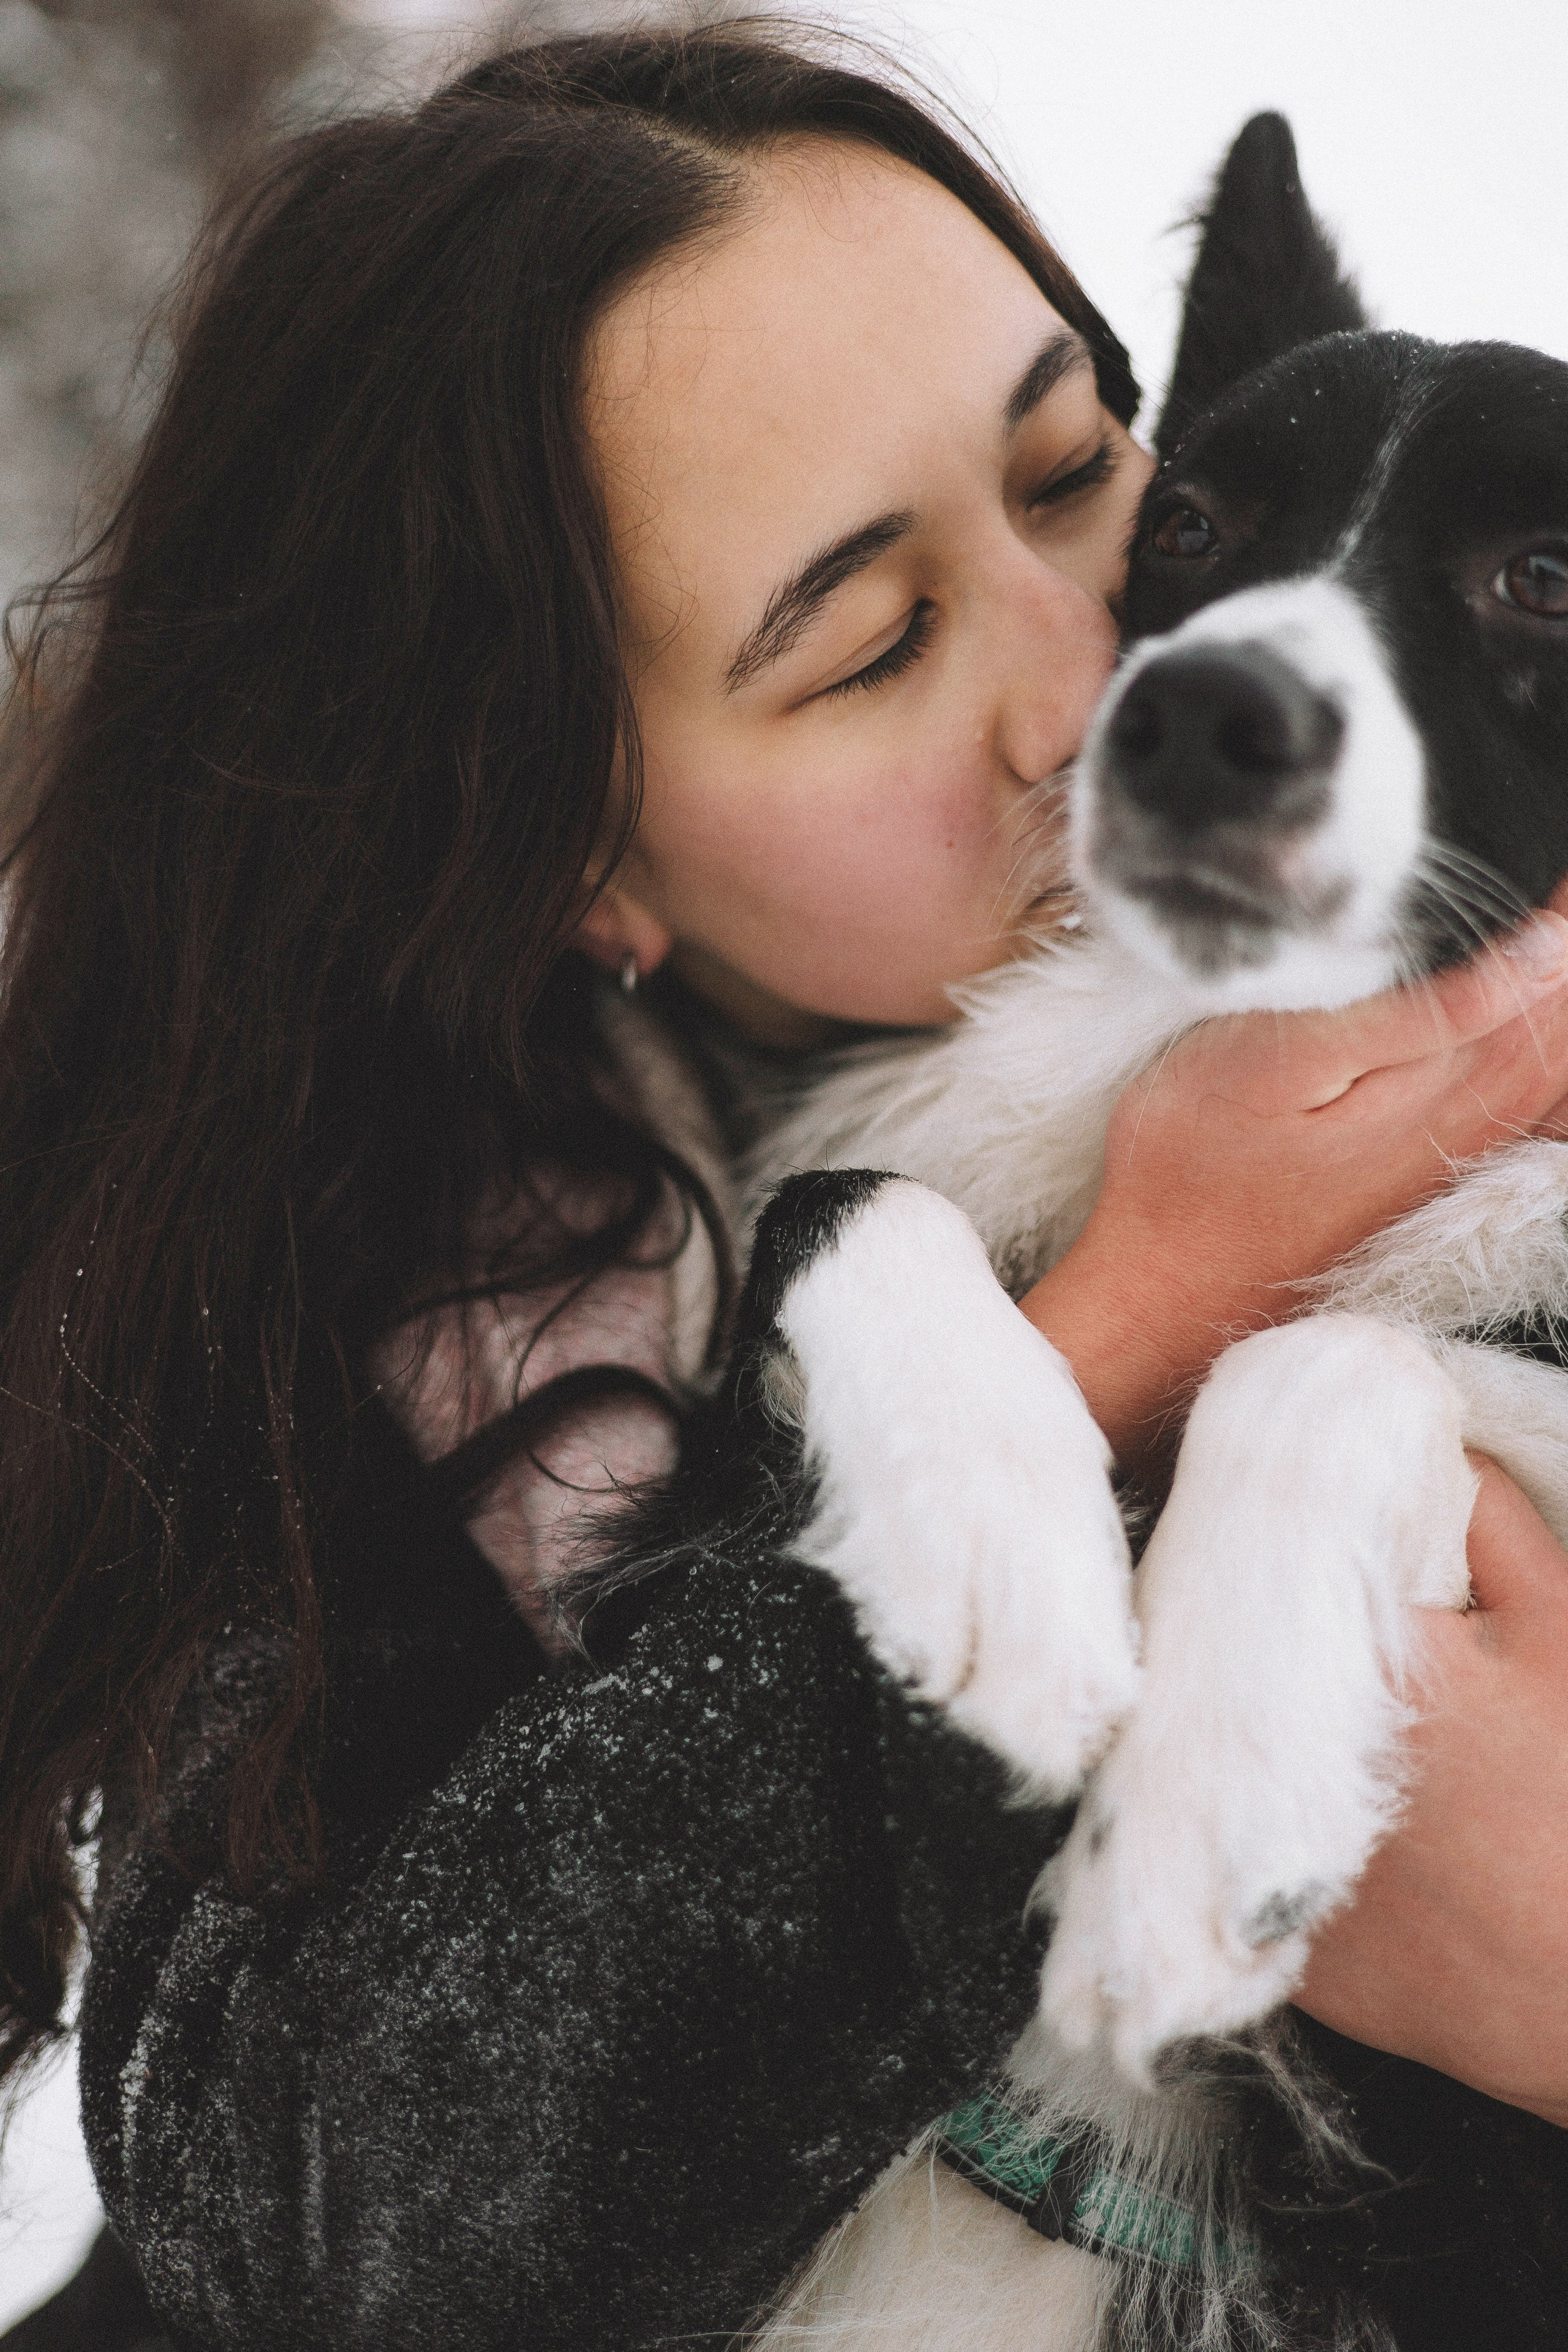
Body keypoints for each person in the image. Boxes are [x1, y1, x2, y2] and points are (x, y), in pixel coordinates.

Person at [4, 23, 1568, 2350]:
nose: (1108, 679)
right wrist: (1120, 1327)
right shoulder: (392, 1337)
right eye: (871, 642)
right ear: (574, 860)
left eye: (1091, 488)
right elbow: (349, 2232)